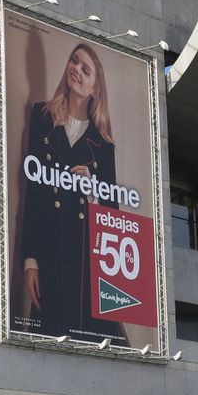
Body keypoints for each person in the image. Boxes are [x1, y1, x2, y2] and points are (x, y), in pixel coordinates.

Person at [17, 42, 120, 342]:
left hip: (84, 265)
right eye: (74, 61)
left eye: (86, 69)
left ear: (95, 89)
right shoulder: (42, 116)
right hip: (50, 253)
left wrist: (93, 188)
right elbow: (33, 193)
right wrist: (30, 260)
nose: (76, 70)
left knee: (88, 342)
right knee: (48, 338)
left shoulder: (103, 145)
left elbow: (113, 217)